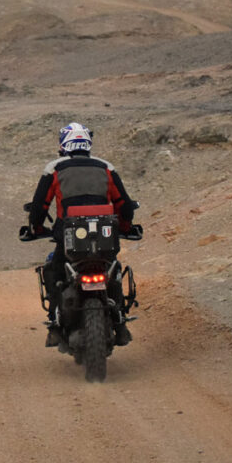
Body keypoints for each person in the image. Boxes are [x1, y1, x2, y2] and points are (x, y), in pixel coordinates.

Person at [27, 121, 136, 347]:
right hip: (105, 239)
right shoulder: (106, 167)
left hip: (68, 240)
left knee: (54, 270)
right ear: (88, 143)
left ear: (63, 144)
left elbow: (39, 206)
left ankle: (55, 324)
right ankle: (120, 323)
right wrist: (126, 227)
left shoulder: (55, 169)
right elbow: (124, 204)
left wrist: (36, 229)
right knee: (113, 271)